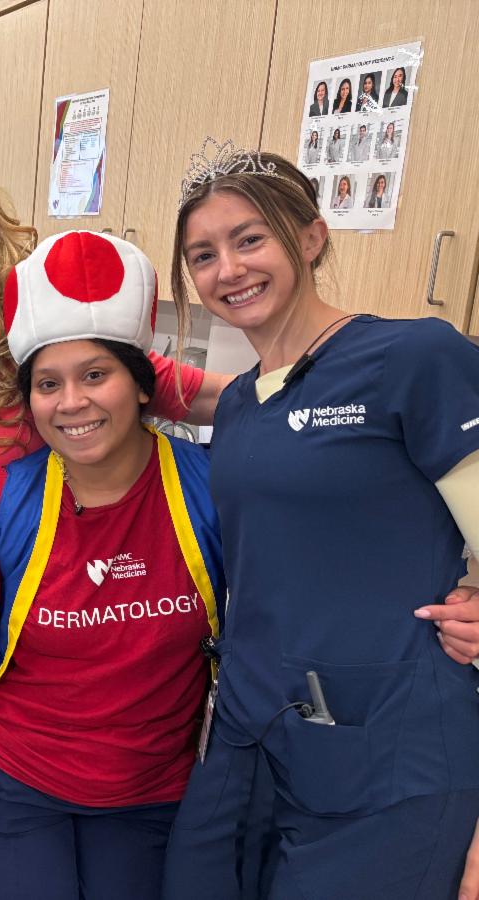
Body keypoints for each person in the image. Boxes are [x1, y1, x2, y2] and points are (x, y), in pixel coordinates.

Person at [162, 139, 479, 899]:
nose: (228, 270)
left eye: (250, 239)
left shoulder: (414, 358)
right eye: (203, 255)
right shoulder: (240, 404)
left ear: (310, 236)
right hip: (249, 733)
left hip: (389, 758)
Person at [0, 147, 227, 787]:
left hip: (38, 572)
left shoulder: (49, 341)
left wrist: (341, 403)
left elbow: (223, 395)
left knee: (17, 765)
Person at [0, 231, 225, 900]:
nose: (72, 403)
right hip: (11, 789)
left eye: (96, 375)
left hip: (157, 797)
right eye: (48, 384)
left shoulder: (212, 492)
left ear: (143, 385)